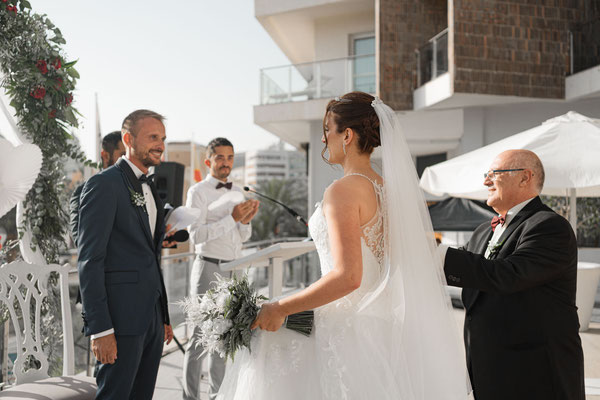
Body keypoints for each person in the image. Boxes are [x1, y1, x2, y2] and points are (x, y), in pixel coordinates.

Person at [216, 92, 470, 400]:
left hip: (346, 330)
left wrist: (281, 307)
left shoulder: (343, 191)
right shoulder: (390, 191)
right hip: (384, 329)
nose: (324, 139)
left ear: (346, 135)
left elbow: (349, 276)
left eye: (327, 130)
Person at [441, 149, 585, 400]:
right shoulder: (483, 231)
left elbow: (506, 275)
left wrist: (436, 254)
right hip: (490, 374)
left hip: (535, 377)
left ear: (525, 178)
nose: (486, 181)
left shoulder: (549, 227)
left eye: (494, 174)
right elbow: (464, 268)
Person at [77, 109, 175, 399]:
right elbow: (90, 260)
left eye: (163, 138)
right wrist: (100, 329)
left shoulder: (150, 187)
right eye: (153, 137)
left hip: (152, 319)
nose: (160, 144)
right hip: (119, 321)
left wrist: (164, 316)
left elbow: (150, 256)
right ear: (128, 138)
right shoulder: (103, 185)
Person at [182, 137, 259, 400]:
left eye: (230, 157)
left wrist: (245, 220)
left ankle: (218, 395)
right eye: (220, 158)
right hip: (208, 268)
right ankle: (189, 397)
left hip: (235, 271)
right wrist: (232, 218)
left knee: (226, 336)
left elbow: (243, 237)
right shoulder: (198, 192)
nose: (226, 163)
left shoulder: (238, 190)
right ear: (208, 161)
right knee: (199, 336)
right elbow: (196, 236)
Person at [69, 130, 125, 245]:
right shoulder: (84, 191)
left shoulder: (142, 188)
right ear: (105, 156)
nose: (129, 162)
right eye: (123, 156)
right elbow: (81, 239)